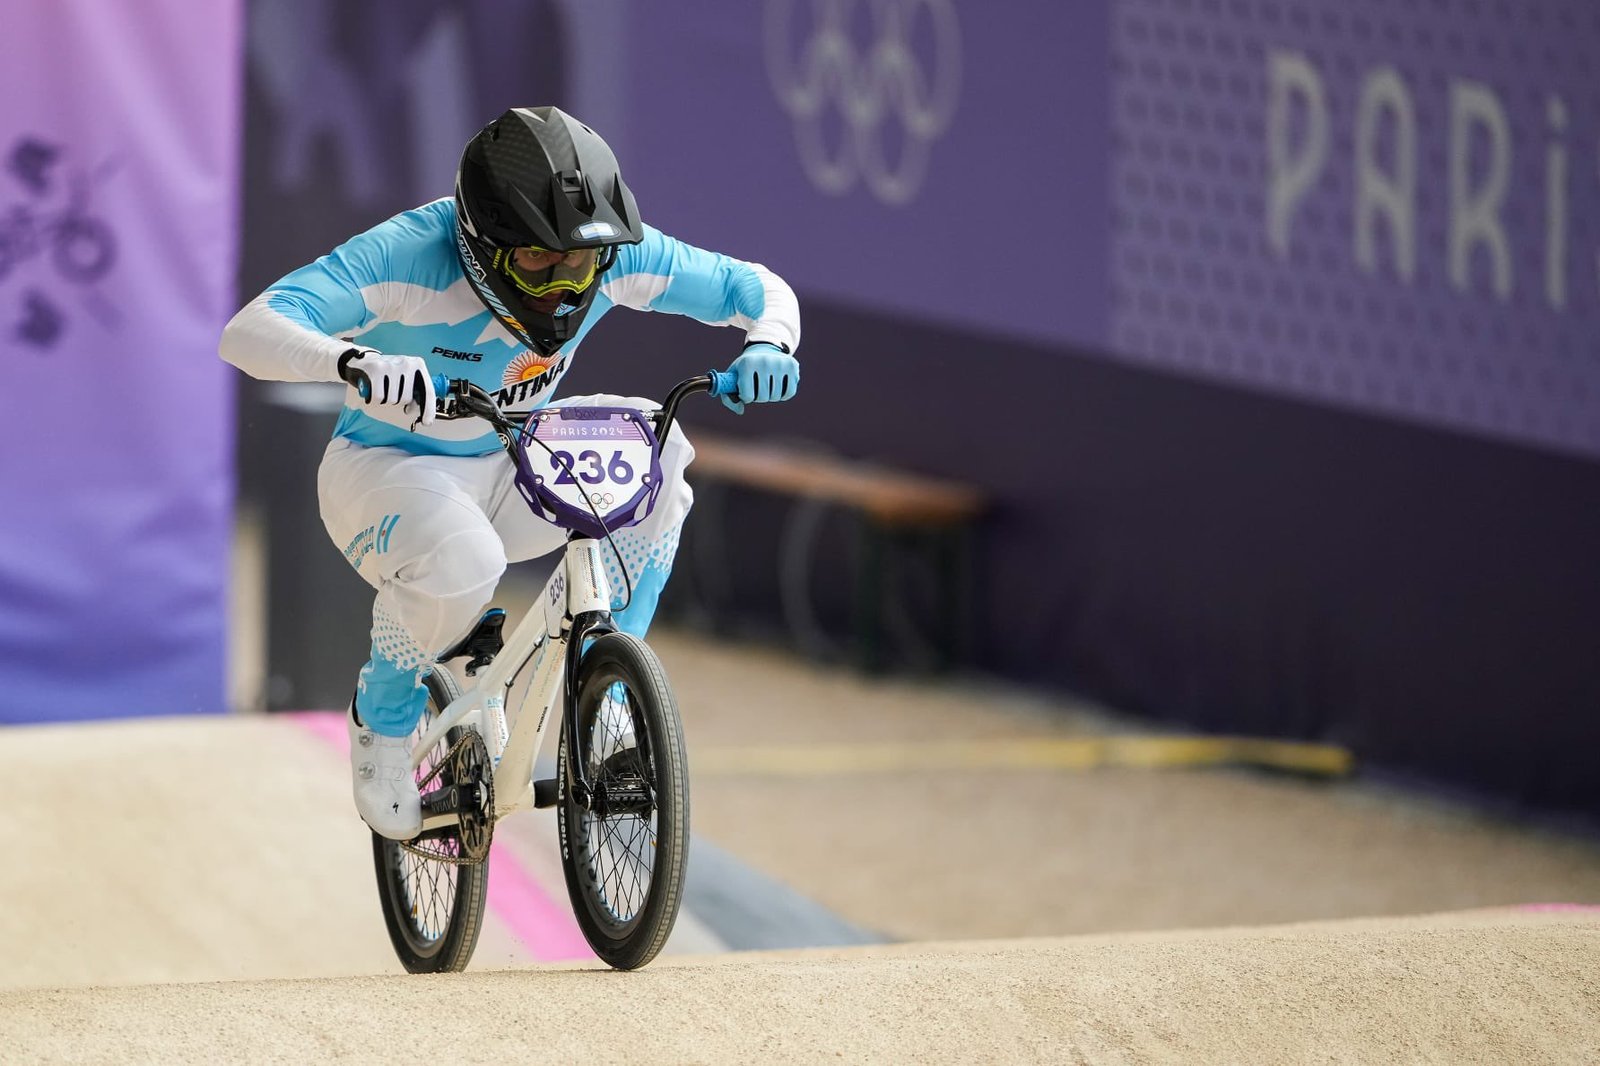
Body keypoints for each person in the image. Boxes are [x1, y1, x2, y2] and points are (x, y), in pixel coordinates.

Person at [220, 106, 800, 839]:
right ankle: (383, 715)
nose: (562, 287)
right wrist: (353, 361)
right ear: (479, 242)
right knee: (469, 559)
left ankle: (611, 695)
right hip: (383, 474)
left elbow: (755, 287)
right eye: (535, 262)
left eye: (577, 265)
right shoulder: (408, 253)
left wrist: (770, 344)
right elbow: (248, 330)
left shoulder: (611, 252)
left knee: (658, 442)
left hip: (515, 465)